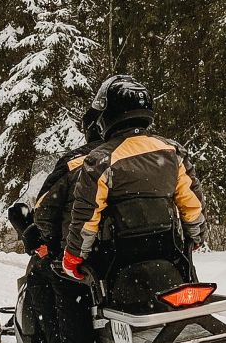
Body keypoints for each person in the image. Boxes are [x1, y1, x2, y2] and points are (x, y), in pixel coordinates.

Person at [63, 74, 206, 290]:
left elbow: (87, 216)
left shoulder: (100, 159)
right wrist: (197, 235)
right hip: (168, 254)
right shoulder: (172, 152)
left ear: (109, 113)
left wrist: (74, 256)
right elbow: (191, 203)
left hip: (119, 261)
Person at [27, 106, 103, 343]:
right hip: (133, 246)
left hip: (87, 248)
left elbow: (45, 210)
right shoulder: (142, 153)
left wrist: (46, 238)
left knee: (45, 272)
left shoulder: (77, 161)